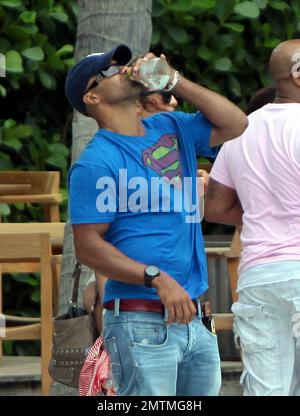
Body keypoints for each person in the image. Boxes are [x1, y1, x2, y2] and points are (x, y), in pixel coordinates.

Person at [66, 43, 248, 396]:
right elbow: (88, 247)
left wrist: (174, 80)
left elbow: (236, 122)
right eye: (108, 70)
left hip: (196, 318)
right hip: (139, 321)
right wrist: (155, 278)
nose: (122, 69)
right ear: (92, 98)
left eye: (123, 63)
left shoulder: (171, 127)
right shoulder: (95, 163)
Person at [204, 39, 300, 396]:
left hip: (258, 276)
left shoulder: (241, 130)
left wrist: (265, 211)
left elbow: (214, 207)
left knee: (266, 391)